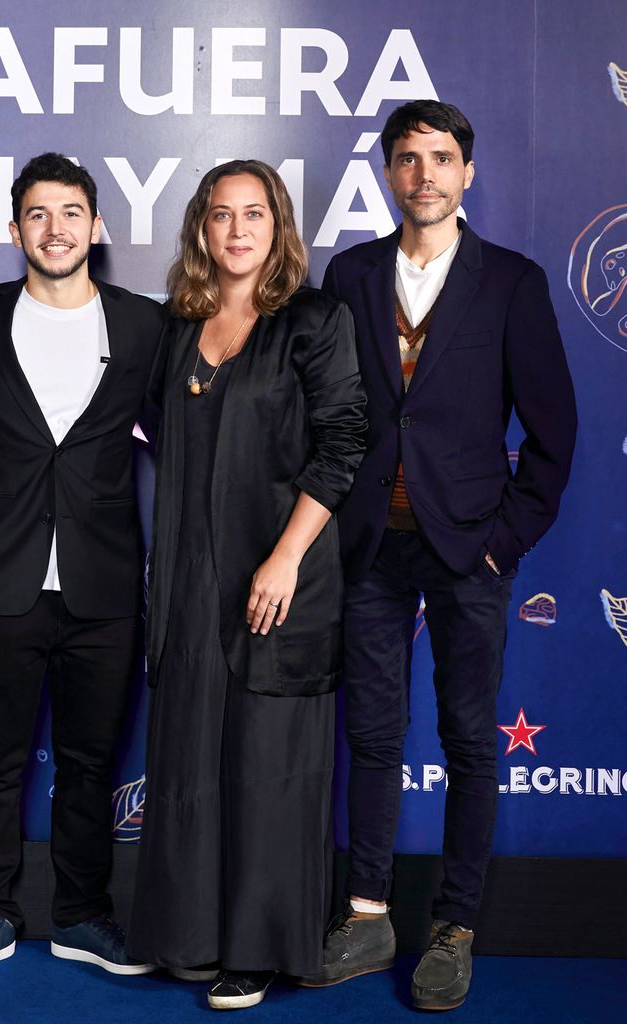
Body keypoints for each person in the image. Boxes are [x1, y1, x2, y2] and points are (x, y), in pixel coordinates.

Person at [302, 100, 577, 1010]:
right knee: (373, 738)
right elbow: (326, 411)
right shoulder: (350, 274)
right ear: (389, 174)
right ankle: (370, 913)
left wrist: (504, 544)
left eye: (443, 158)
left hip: (469, 552)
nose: (426, 174)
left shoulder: (512, 282)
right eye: (409, 159)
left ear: (467, 173)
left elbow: (554, 432)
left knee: (469, 744)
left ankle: (455, 928)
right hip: (370, 548)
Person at [127, 160, 367, 1010]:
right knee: (191, 757)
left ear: (279, 226)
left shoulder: (312, 318)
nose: (237, 229)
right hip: (191, 584)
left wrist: (285, 556)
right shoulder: (176, 326)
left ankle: (258, 951)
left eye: (254, 213)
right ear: (199, 227)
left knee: (270, 768)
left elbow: (344, 443)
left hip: (279, 580)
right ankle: (187, 939)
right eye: (221, 214)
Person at [0, 153, 163, 982]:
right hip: (0, 582)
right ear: (14, 229)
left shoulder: (143, 326)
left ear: (96, 227)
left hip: (105, 587)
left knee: (89, 764)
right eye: (38, 213)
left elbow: (191, 439)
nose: (56, 227)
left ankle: (82, 916)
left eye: (71, 212)